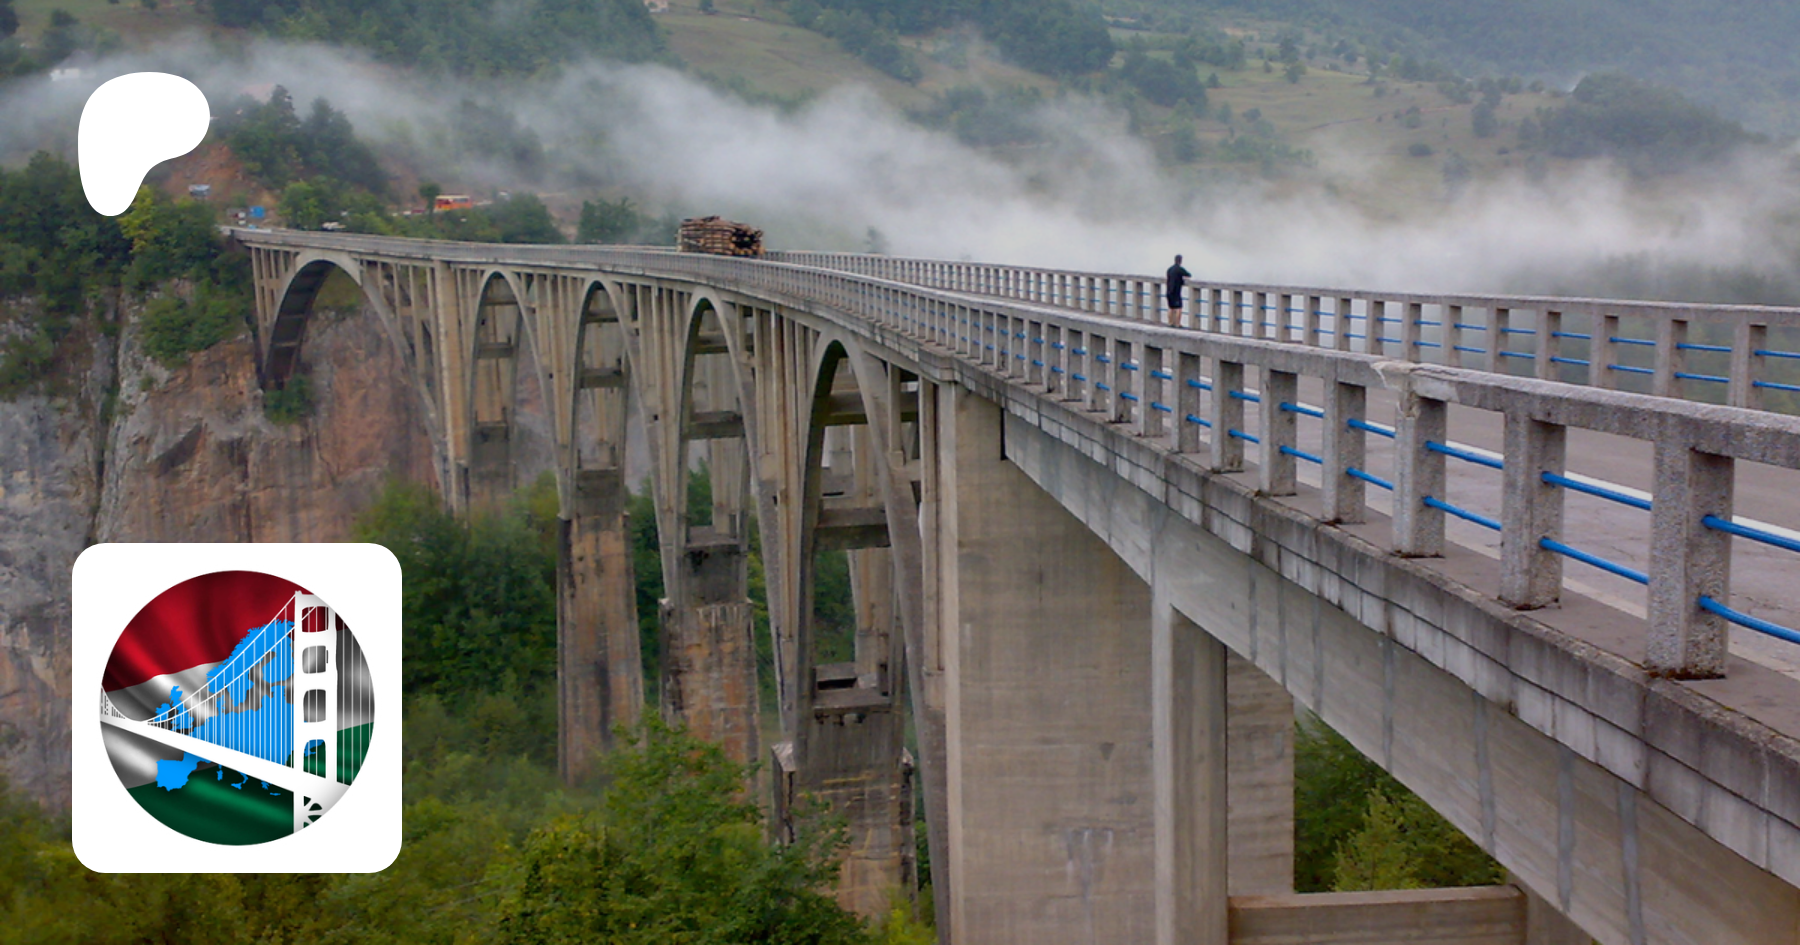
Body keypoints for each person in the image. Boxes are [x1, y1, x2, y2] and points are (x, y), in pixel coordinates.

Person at [1165, 254, 1191, 327]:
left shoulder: (1169, 269)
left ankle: (1170, 322)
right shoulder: (1179, 269)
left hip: (1169, 291)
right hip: (1176, 292)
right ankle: (1177, 323)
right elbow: (1188, 275)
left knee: (1171, 308)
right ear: (1180, 261)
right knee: (1178, 308)